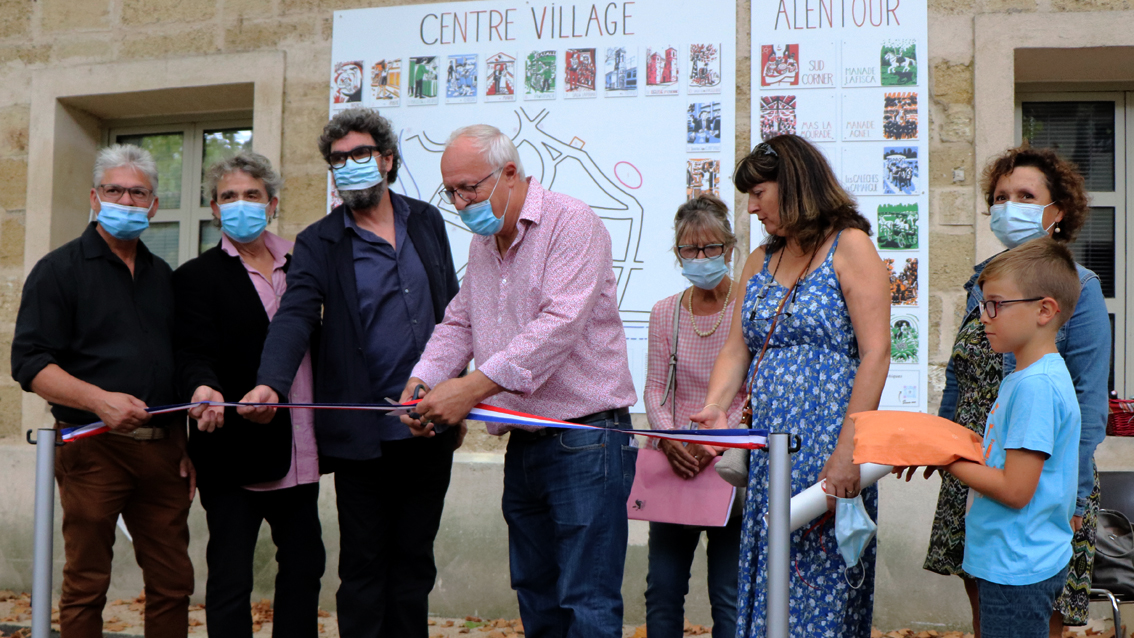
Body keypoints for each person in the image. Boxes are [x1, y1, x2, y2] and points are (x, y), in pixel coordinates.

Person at [400, 124, 638, 638]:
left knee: (586, 603)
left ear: (510, 173)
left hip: (586, 438)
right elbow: (461, 320)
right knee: (535, 594)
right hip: (525, 442)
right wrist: (424, 380)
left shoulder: (571, 222)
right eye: (452, 192)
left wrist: (468, 389)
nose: (462, 203)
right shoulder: (485, 243)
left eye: (471, 188)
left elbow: (559, 326)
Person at [238, 108, 461, 638]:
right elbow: (295, 314)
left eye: (361, 155)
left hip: (428, 425)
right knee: (362, 568)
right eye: (338, 160)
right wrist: (270, 381)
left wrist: (458, 394)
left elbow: (454, 310)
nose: (349, 166)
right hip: (363, 433)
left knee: (414, 566)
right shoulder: (319, 241)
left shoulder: (426, 220)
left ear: (387, 160)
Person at [691, 134, 892, 638]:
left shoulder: (851, 245)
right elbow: (738, 348)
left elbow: (876, 353)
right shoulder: (761, 259)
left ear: (796, 184)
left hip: (829, 445)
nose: (752, 207)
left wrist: (849, 451)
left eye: (759, 192)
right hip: (771, 452)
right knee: (771, 585)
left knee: (819, 587)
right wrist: (717, 408)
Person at [923, 147, 1110, 637]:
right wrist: (937, 444)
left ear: (1058, 211)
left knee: (1027, 611)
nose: (1010, 206)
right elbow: (960, 379)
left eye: (1026, 195)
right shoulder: (985, 286)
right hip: (978, 468)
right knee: (988, 606)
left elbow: (1089, 402)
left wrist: (1073, 502)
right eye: (1001, 197)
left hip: (1031, 481)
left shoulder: (1078, 287)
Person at [11, 144, 194, 637]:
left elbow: (177, 367)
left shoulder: (163, 277)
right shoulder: (59, 270)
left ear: (154, 206)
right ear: (94, 197)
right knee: (87, 583)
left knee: (174, 583)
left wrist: (184, 445)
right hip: (91, 447)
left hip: (162, 452)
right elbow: (29, 364)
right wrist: (98, 400)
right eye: (115, 190)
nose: (126, 200)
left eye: (138, 193)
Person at [173, 152, 325, 638]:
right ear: (215, 210)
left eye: (252, 196)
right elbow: (193, 352)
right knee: (231, 577)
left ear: (272, 202)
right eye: (228, 197)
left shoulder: (306, 265)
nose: (241, 205)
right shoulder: (195, 277)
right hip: (233, 450)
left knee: (305, 567)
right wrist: (201, 387)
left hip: (302, 450)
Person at [914, 238, 1082, 638]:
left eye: (996, 304)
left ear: (1044, 310)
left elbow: (1015, 489)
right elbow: (996, 455)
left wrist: (947, 460)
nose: (983, 317)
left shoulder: (1035, 387)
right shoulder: (1024, 377)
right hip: (1014, 560)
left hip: (1018, 567)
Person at [643, 195, 744, 638]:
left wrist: (713, 444)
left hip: (729, 464)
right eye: (689, 250)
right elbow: (653, 388)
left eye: (710, 248)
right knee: (663, 590)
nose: (700, 258)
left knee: (729, 592)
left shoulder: (749, 305)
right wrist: (668, 439)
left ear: (730, 247)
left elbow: (755, 388)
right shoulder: (666, 312)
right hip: (674, 464)